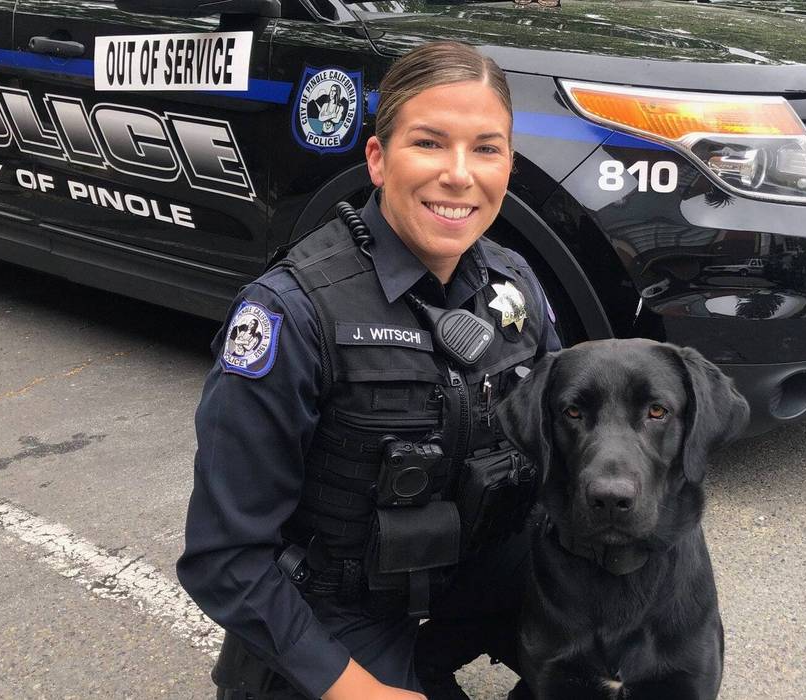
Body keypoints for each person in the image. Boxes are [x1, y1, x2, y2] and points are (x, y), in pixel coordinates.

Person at [178, 41, 562, 700]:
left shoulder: (514, 285)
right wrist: (359, 691)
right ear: (378, 161)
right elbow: (225, 557)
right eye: (430, 143)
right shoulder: (289, 315)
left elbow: (570, 446)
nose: (460, 175)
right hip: (342, 611)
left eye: (486, 148)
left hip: (475, 579)